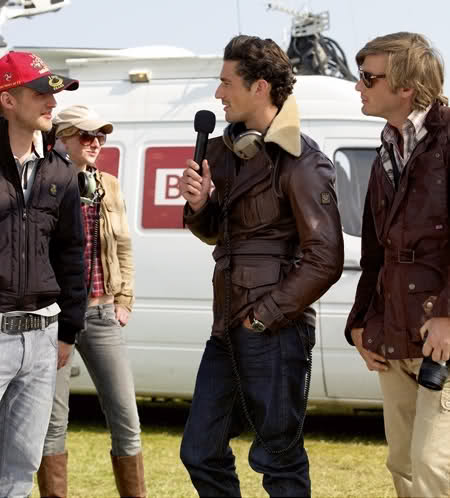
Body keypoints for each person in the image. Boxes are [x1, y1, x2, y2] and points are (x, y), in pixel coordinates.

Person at [179, 35, 344, 497]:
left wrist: (263, 317)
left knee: (279, 460)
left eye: (226, 83)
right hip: (226, 325)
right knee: (199, 451)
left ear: (260, 87)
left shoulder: (303, 161)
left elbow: (325, 258)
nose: (218, 93)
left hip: (274, 331)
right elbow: (219, 234)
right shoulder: (222, 152)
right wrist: (200, 206)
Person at [0, 51, 86, 497]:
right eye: (41, 93)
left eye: (55, 93)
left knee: (20, 470)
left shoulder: (59, 168)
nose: (53, 102)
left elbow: (71, 251)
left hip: (42, 338)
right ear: (8, 100)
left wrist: (68, 328)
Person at [345, 32, 450, 498]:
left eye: (368, 78)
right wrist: (359, 322)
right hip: (392, 332)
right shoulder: (387, 148)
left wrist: (447, 314)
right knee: (404, 465)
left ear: (406, 86)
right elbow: (375, 252)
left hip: (440, 335)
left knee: (433, 468)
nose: (358, 86)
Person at [37, 105, 146, 498]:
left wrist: (124, 300)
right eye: (87, 135)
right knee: (53, 425)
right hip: (54, 319)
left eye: (101, 136)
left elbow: (124, 246)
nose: (96, 142)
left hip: (102, 312)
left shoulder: (109, 185)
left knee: (126, 419)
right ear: (61, 137)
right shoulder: (43, 181)